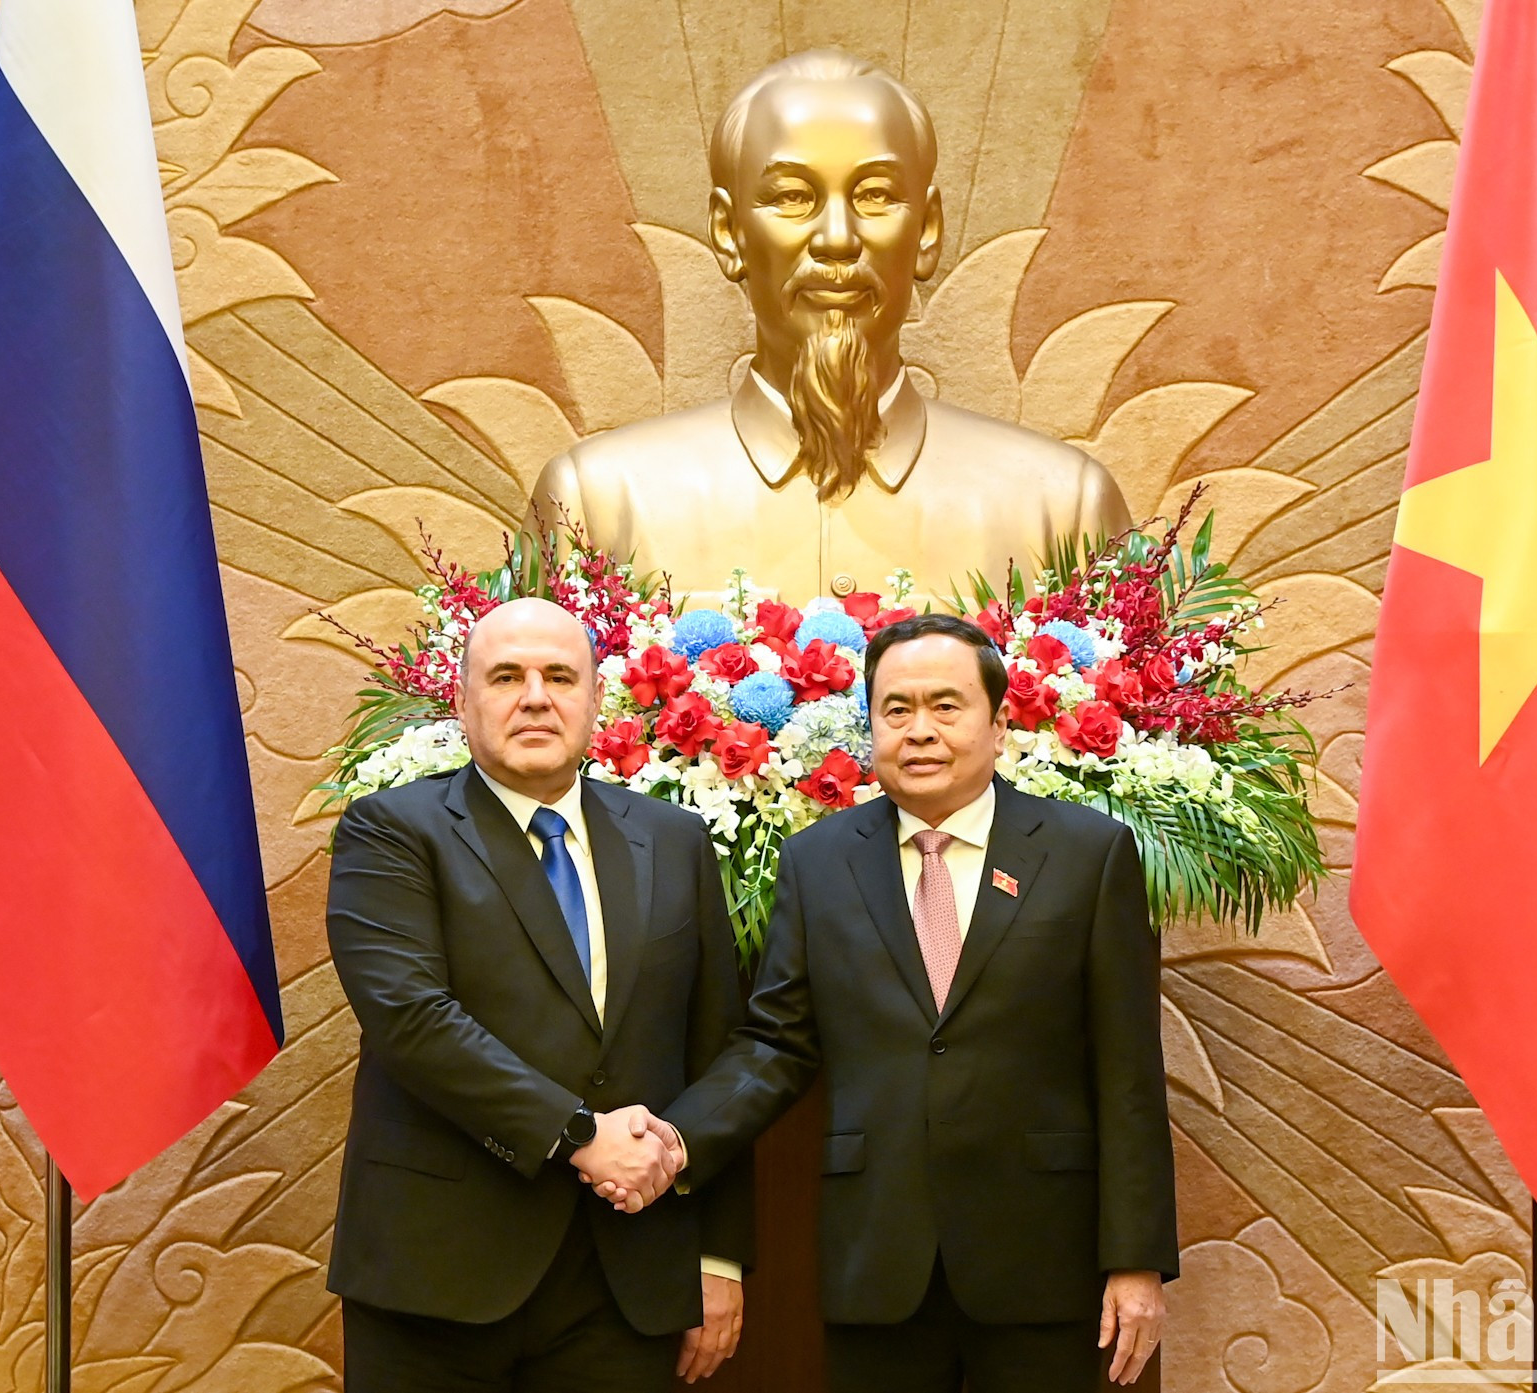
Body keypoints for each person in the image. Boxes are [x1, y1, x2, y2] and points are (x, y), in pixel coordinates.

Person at [606, 613, 1176, 1391]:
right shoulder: (820, 860)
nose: (920, 730)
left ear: (999, 722)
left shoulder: (1086, 853)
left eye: (947, 706)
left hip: (1045, 1257)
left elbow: (1128, 1071)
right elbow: (776, 1043)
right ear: (871, 726)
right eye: (896, 709)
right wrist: (678, 1139)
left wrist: (1136, 1257)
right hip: (878, 1255)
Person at [325, 597, 752, 1390]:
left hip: (624, 1278)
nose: (534, 695)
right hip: (437, 1274)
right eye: (507, 676)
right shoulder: (390, 831)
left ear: (597, 699)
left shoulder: (675, 838)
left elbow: (715, 1048)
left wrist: (717, 1253)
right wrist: (577, 1131)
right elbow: (413, 1020)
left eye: (560, 675)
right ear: (462, 701)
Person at [531, 50, 1132, 606]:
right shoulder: (599, 504)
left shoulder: (1064, 507)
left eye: (875, 195)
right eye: (793, 197)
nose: (838, 239)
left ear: (927, 231)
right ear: (727, 232)